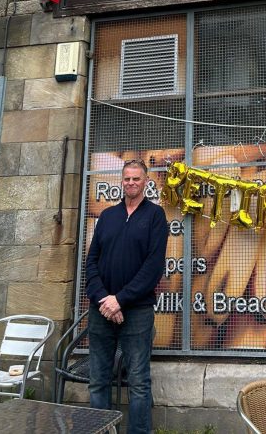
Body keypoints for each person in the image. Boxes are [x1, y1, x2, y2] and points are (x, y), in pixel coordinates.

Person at [85, 159, 168, 434]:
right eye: (126, 179)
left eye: (136, 178)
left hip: (137, 312)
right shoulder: (108, 216)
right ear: (121, 181)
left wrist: (120, 300)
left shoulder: (155, 217)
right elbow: (92, 263)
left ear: (146, 182)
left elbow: (152, 268)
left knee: (139, 383)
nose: (131, 183)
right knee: (98, 380)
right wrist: (104, 300)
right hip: (101, 310)